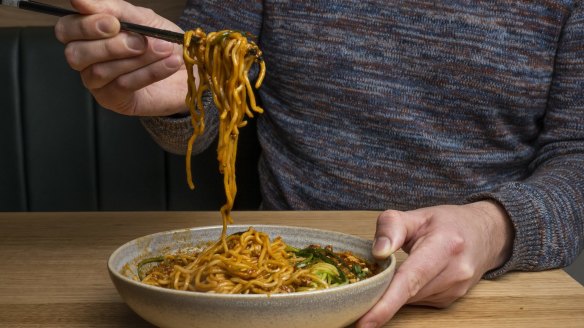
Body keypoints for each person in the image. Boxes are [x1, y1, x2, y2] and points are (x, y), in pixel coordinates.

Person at [55, 0, 584, 327]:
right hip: (279, 284)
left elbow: (576, 156)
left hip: (484, 287)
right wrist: (177, 88)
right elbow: (206, 84)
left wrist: (493, 228)